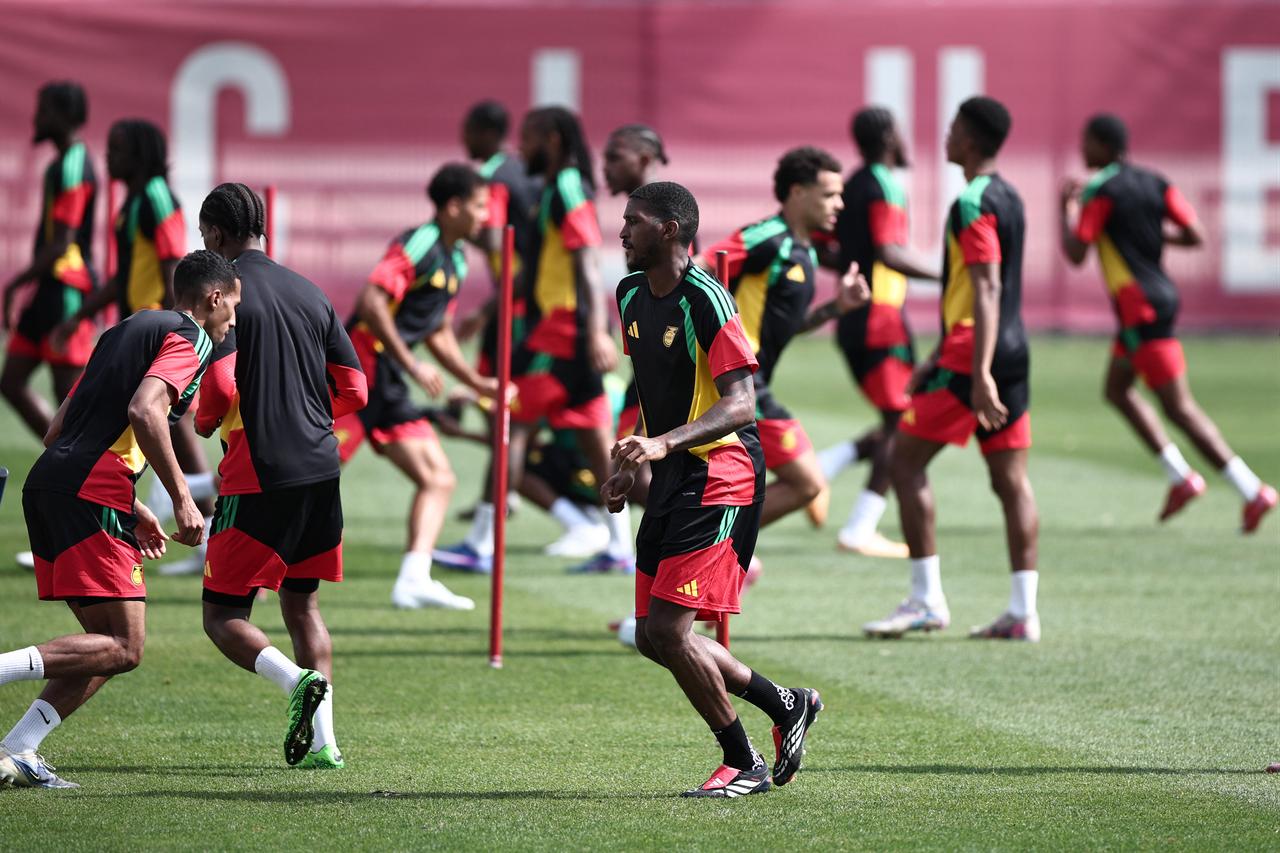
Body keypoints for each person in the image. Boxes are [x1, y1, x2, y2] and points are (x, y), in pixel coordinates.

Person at [605, 181, 835, 797]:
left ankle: (743, 761)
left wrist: (662, 445)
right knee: (653, 636)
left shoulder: (706, 297)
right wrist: (633, 455)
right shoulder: (628, 294)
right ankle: (785, 703)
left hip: (722, 472)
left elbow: (741, 404)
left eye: (635, 221)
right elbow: (654, 395)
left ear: (671, 231)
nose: (622, 230)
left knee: (671, 632)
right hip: (674, 472)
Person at [0, 249, 238, 788]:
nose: (232, 323)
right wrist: (182, 498)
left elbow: (57, 431)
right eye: (234, 308)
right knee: (124, 648)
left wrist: (133, 506)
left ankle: (18, 750)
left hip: (52, 482)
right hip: (90, 488)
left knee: (103, 649)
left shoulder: (124, 330)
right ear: (215, 297)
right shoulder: (192, 336)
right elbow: (145, 410)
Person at [195, 183, 368, 770]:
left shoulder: (225, 294)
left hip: (257, 472)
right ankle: (328, 746)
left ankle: (294, 681)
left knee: (222, 616)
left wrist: (206, 419)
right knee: (304, 608)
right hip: (322, 468)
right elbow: (355, 389)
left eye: (203, 235)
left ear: (216, 235)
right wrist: (308, 419)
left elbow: (218, 387)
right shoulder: (311, 291)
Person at [863, 96, 1042, 641]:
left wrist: (975, 369)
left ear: (969, 138)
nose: (944, 135)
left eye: (953, 128)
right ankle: (1023, 612)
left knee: (903, 462)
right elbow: (985, 289)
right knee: (1011, 482)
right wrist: (937, 358)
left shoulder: (971, 201)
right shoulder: (1011, 195)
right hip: (1010, 349)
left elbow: (984, 288)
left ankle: (925, 600)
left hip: (976, 357)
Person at [1059, 114, 1275, 531]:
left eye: (1087, 142)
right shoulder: (1157, 182)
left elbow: (1076, 252)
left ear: (1104, 146)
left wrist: (1064, 209)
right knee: (1117, 390)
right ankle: (1180, 477)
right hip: (1153, 302)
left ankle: (1251, 490)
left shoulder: (1099, 191)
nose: (1082, 150)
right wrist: (1155, 238)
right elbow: (1195, 234)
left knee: (1179, 408)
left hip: (1140, 309)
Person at [436, 107, 619, 573]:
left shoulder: (568, 187)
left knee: (511, 424)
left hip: (563, 331)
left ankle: (482, 543)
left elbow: (587, 262)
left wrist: (596, 329)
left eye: (531, 138)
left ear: (554, 139)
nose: (522, 148)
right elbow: (532, 269)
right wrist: (486, 312)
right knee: (596, 438)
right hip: (558, 328)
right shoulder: (549, 190)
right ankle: (621, 547)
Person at [55, 118, 218, 576]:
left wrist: (174, 331)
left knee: (170, 428)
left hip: (153, 336)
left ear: (142, 153)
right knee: (170, 432)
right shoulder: (133, 203)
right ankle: (205, 533)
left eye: (118, 149)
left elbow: (174, 270)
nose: (109, 158)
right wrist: (79, 315)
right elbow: (125, 275)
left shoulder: (156, 197)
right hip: (139, 333)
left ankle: (206, 531)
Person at [335, 163, 496, 610]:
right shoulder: (420, 241)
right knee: (310, 472)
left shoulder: (458, 257)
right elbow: (370, 301)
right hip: (357, 370)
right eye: (481, 206)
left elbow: (438, 330)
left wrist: (476, 381)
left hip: (386, 378)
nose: (486, 217)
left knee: (439, 477)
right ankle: (224, 537)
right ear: (453, 207)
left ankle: (413, 579)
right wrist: (411, 364)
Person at [700, 147, 864, 531]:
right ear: (797, 193)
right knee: (807, 483)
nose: (838, 204)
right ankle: (711, 544)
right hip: (736, 383)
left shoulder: (803, 250)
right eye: (829, 195)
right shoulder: (768, 237)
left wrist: (835, 308)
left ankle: (712, 543)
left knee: (798, 485)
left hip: (751, 385)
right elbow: (702, 266)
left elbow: (789, 326)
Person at [821, 106, 939, 558]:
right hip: (879, 322)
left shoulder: (852, 186)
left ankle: (827, 465)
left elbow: (833, 251)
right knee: (904, 423)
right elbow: (889, 253)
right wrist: (951, 274)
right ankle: (860, 527)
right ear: (891, 135)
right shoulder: (883, 186)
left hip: (864, 320)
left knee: (902, 419)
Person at [1, 81, 97, 443]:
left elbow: (62, 245)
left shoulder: (73, 166)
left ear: (63, 116)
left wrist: (13, 285)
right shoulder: (61, 164)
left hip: (67, 290)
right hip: (49, 290)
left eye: (43, 110)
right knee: (10, 382)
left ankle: (80, 467)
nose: (36, 117)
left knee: (69, 398)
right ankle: (63, 457)